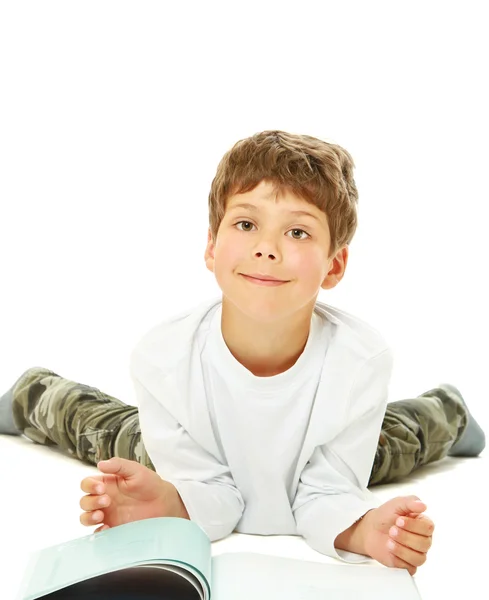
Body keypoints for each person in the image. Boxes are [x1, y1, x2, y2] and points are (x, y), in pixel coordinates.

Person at [0, 131, 485, 577]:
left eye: (298, 232)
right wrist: (172, 503)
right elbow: (203, 487)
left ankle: (451, 410)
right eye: (247, 223)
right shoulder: (164, 358)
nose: (266, 248)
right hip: (192, 443)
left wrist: (362, 529)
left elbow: (329, 490)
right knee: (109, 432)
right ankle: (30, 393)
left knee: (394, 441)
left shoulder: (361, 359)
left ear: (334, 264)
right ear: (211, 246)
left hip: (310, 456)